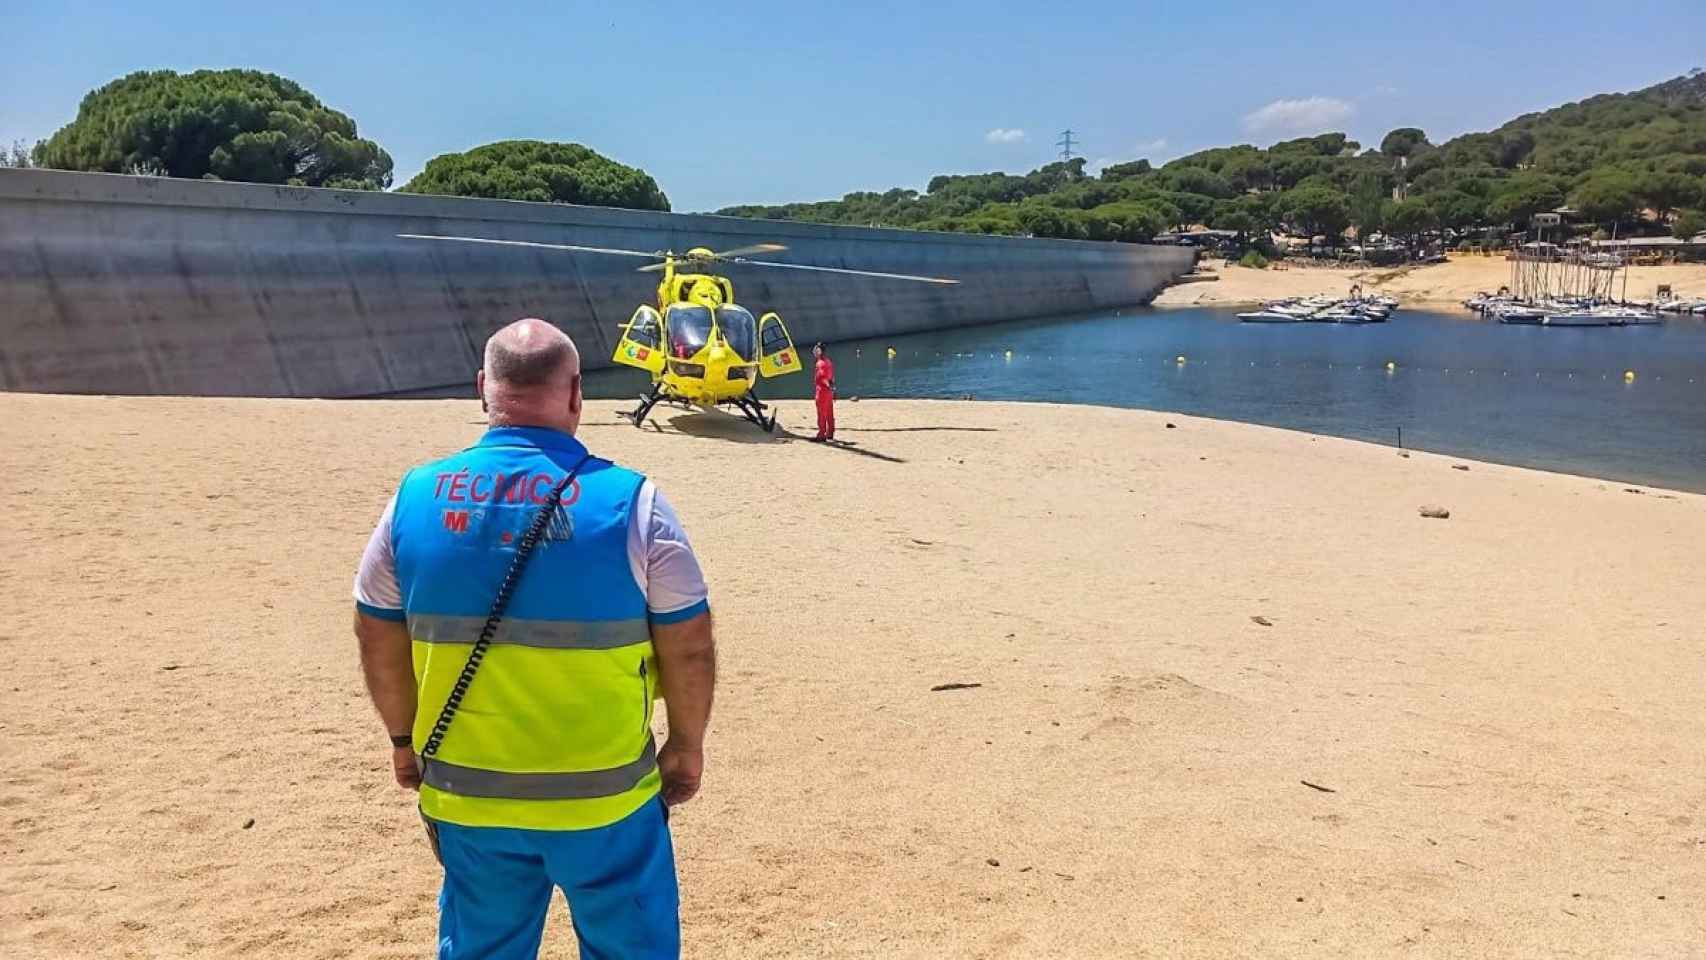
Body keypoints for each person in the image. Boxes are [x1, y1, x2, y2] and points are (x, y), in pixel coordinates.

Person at [352, 317, 716, 959]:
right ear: (576, 392)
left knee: (483, 945)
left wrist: (404, 742)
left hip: (467, 793)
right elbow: (687, 645)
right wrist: (685, 746)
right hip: (604, 800)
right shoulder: (636, 504)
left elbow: (377, 637)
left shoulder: (411, 499)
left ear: (482, 390)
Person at [812, 342, 835, 442]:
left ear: (819, 351)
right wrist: (832, 388)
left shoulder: (820, 363)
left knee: (821, 414)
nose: (814, 351)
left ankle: (821, 434)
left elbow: (823, 377)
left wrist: (827, 385)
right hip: (829, 392)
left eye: (816, 350)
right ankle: (830, 432)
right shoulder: (828, 361)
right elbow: (831, 377)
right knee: (829, 413)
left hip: (822, 391)